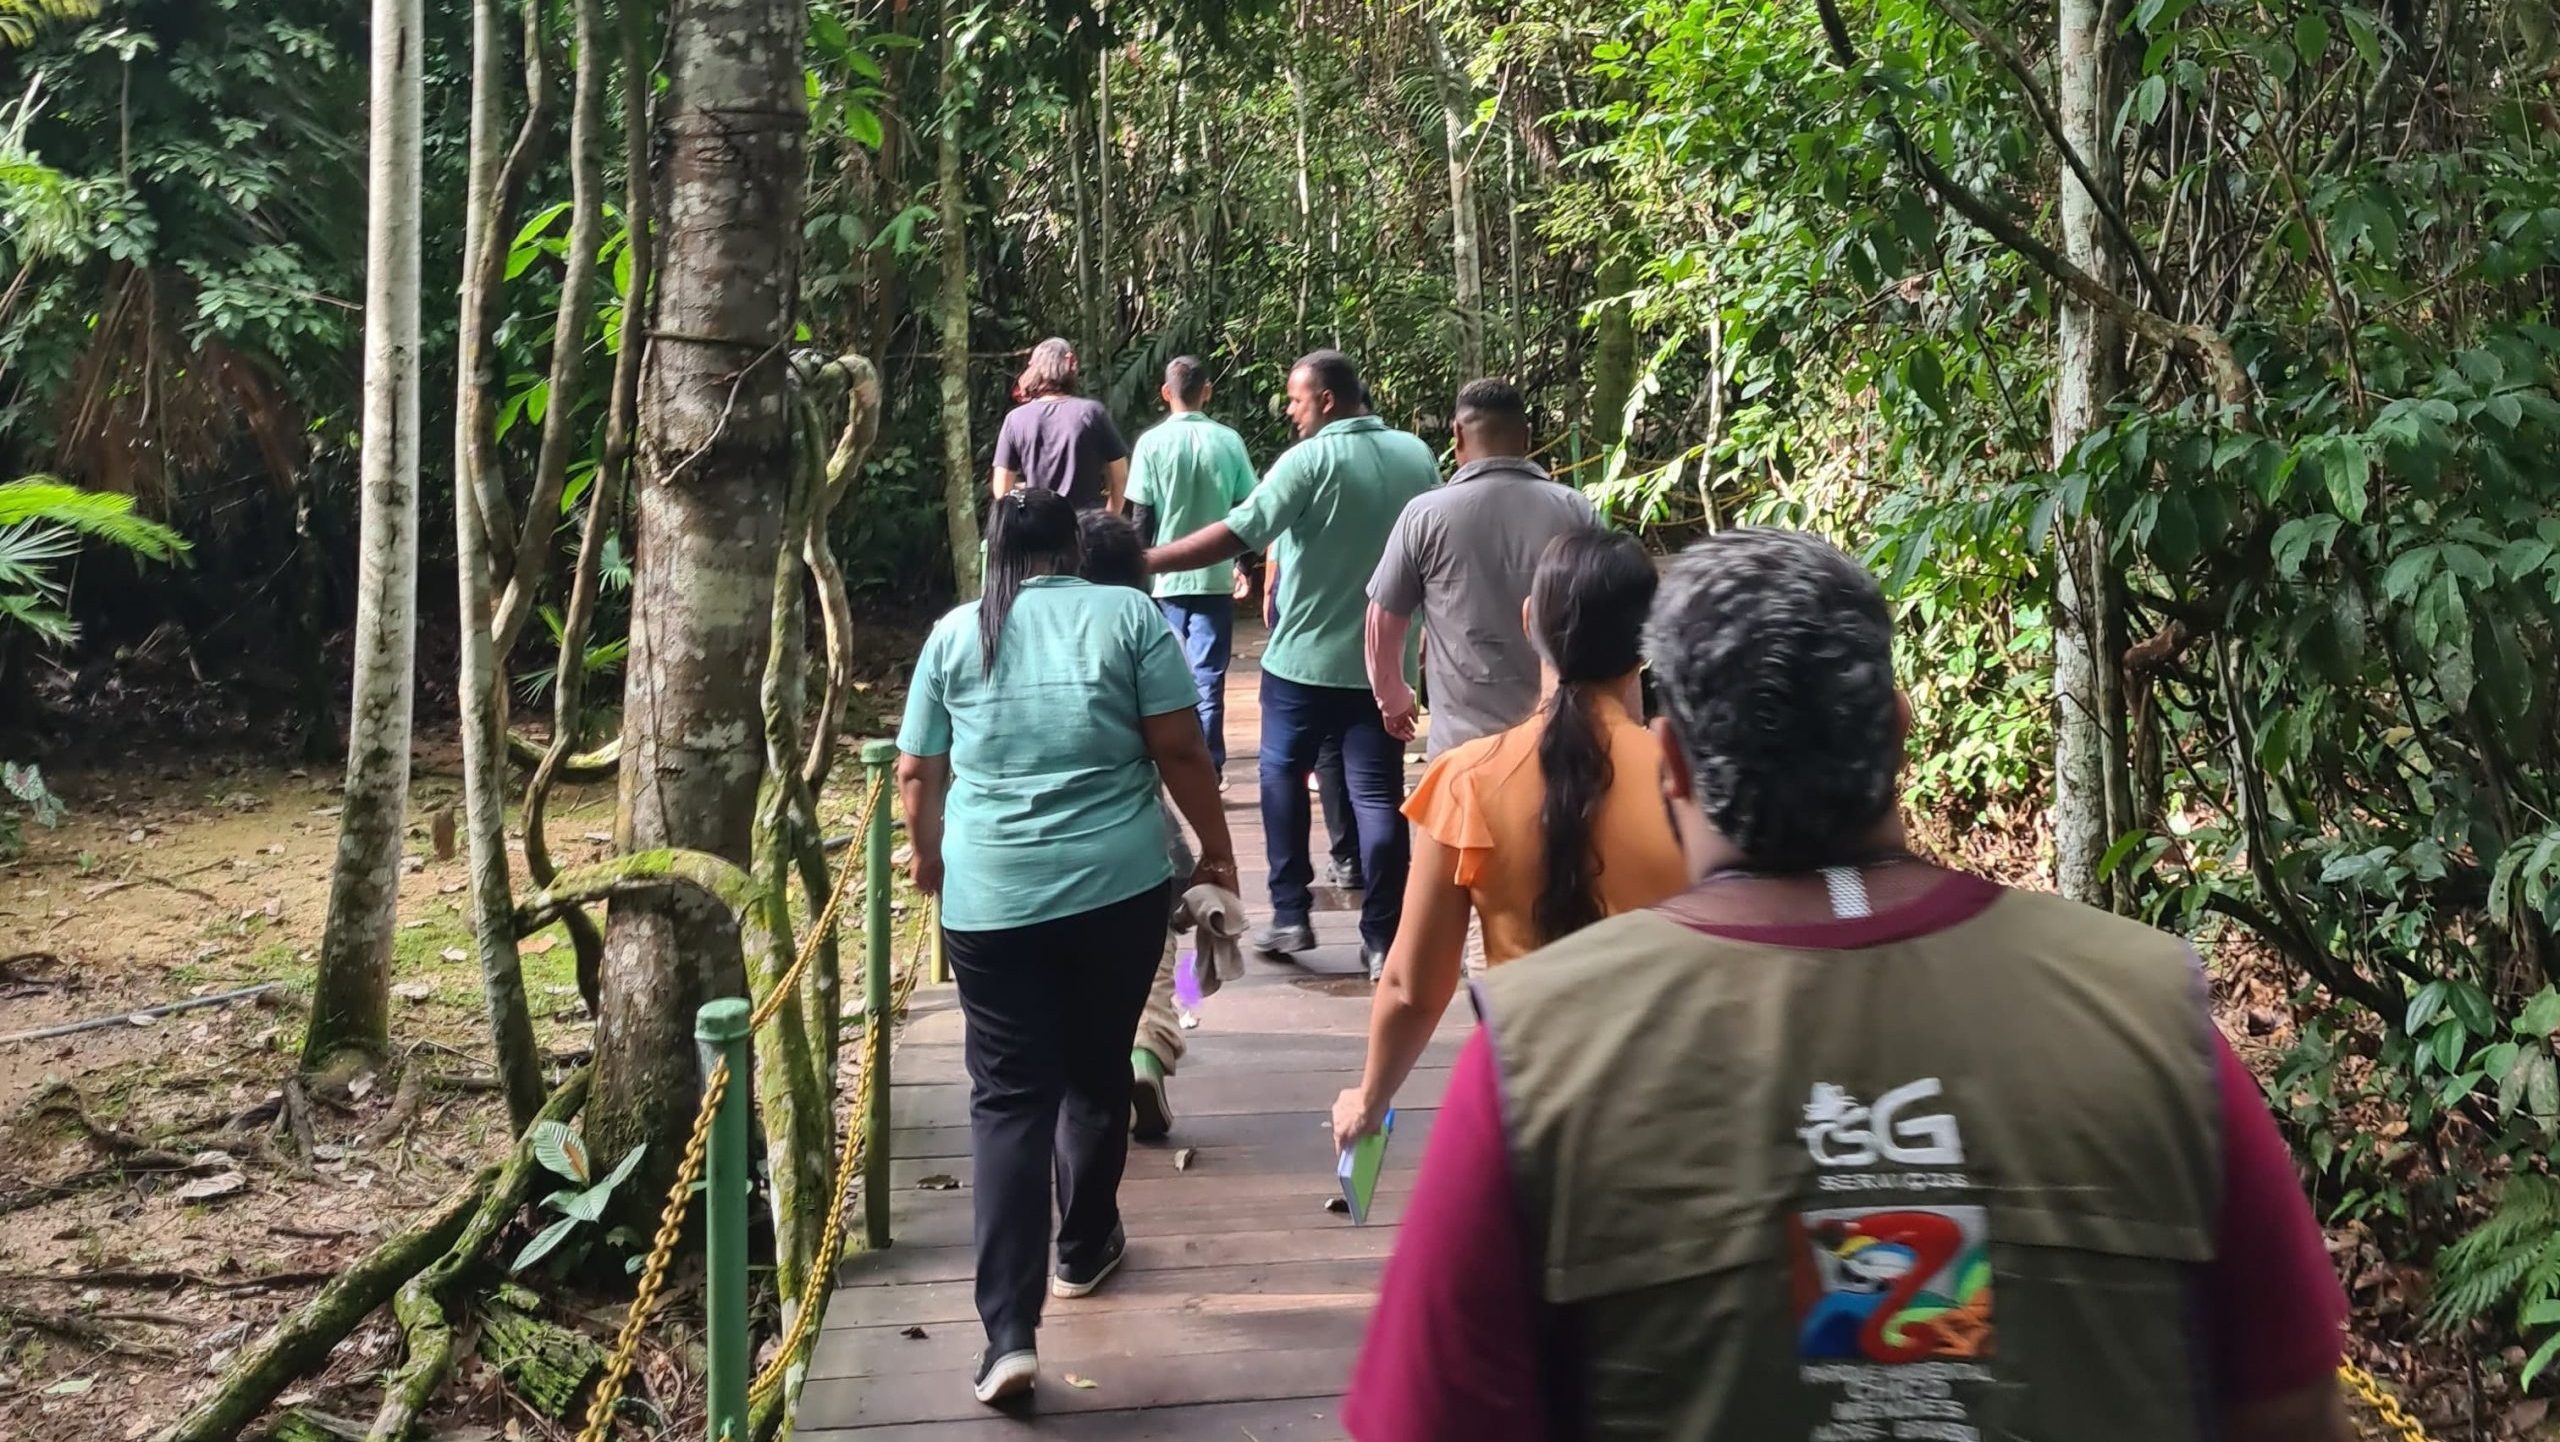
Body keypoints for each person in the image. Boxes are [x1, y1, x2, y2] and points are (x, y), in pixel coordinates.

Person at [1344, 528, 2350, 1442]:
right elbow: (2291, 1402)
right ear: (1900, 730)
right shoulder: (2151, 1010)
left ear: (1679, 765)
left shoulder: (1531, 1056)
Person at [895, 488, 1237, 1407]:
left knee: (1007, 1101)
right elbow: (1179, 749)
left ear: (996, 552)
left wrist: (928, 856)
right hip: (1115, 890)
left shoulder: (956, 633)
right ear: (1071, 553)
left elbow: (918, 769)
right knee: (1092, 1074)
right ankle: (1083, 1250)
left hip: (990, 898)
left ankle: (1008, 1335)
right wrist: (1218, 851)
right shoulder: (1125, 615)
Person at [1331, 531, 1683, 1145]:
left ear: (1529, 620)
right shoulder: (1690, 787)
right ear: (1647, 644)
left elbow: (1415, 987)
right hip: (1666, 1110)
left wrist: (1369, 1100)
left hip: (1528, 1112)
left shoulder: (1467, 779)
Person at [1146, 351, 1436, 974]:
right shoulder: (1417, 455)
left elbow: (1237, 531)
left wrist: (1148, 561)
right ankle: (1382, 937)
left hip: (1302, 659)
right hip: (1382, 668)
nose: (1290, 411)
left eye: (1296, 401)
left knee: (1280, 777)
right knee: (1379, 799)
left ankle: (1290, 915)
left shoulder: (1310, 460)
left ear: (1326, 399)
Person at [1368, 378, 1599, 759]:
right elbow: (1606, 617)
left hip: (1462, 750)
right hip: (1557, 746)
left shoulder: (1426, 515)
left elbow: (1383, 619)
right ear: (1526, 437)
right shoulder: (1576, 511)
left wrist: (1393, 696)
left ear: (1457, 434)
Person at [1073, 509, 1198, 1141]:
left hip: (1041, 848)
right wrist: (1218, 855)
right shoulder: (1150, 630)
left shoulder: (1025, 631)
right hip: (1136, 828)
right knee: (1155, 956)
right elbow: (1178, 748)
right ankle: (1146, 1052)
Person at [1127, 356, 1258, 776]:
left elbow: (1140, 517)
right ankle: (1210, 767)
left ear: (1166, 393)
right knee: (1208, 676)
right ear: (1207, 390)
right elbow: (1249, 510)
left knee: (1165, 676)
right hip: (1214, 578)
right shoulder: (1228, 441)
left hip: (1164, 580)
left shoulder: (1150, 443)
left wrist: (1136, 573)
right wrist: (1244, 564)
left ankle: (1172, 764)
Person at [991, 338, 1129, 512]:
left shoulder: (1016, 419)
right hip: (1087, 528)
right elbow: (1120, 476)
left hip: (1039, 526)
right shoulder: (1092, 413)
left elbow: (1002, 489)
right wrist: (1111, 517)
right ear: (1071, 365)